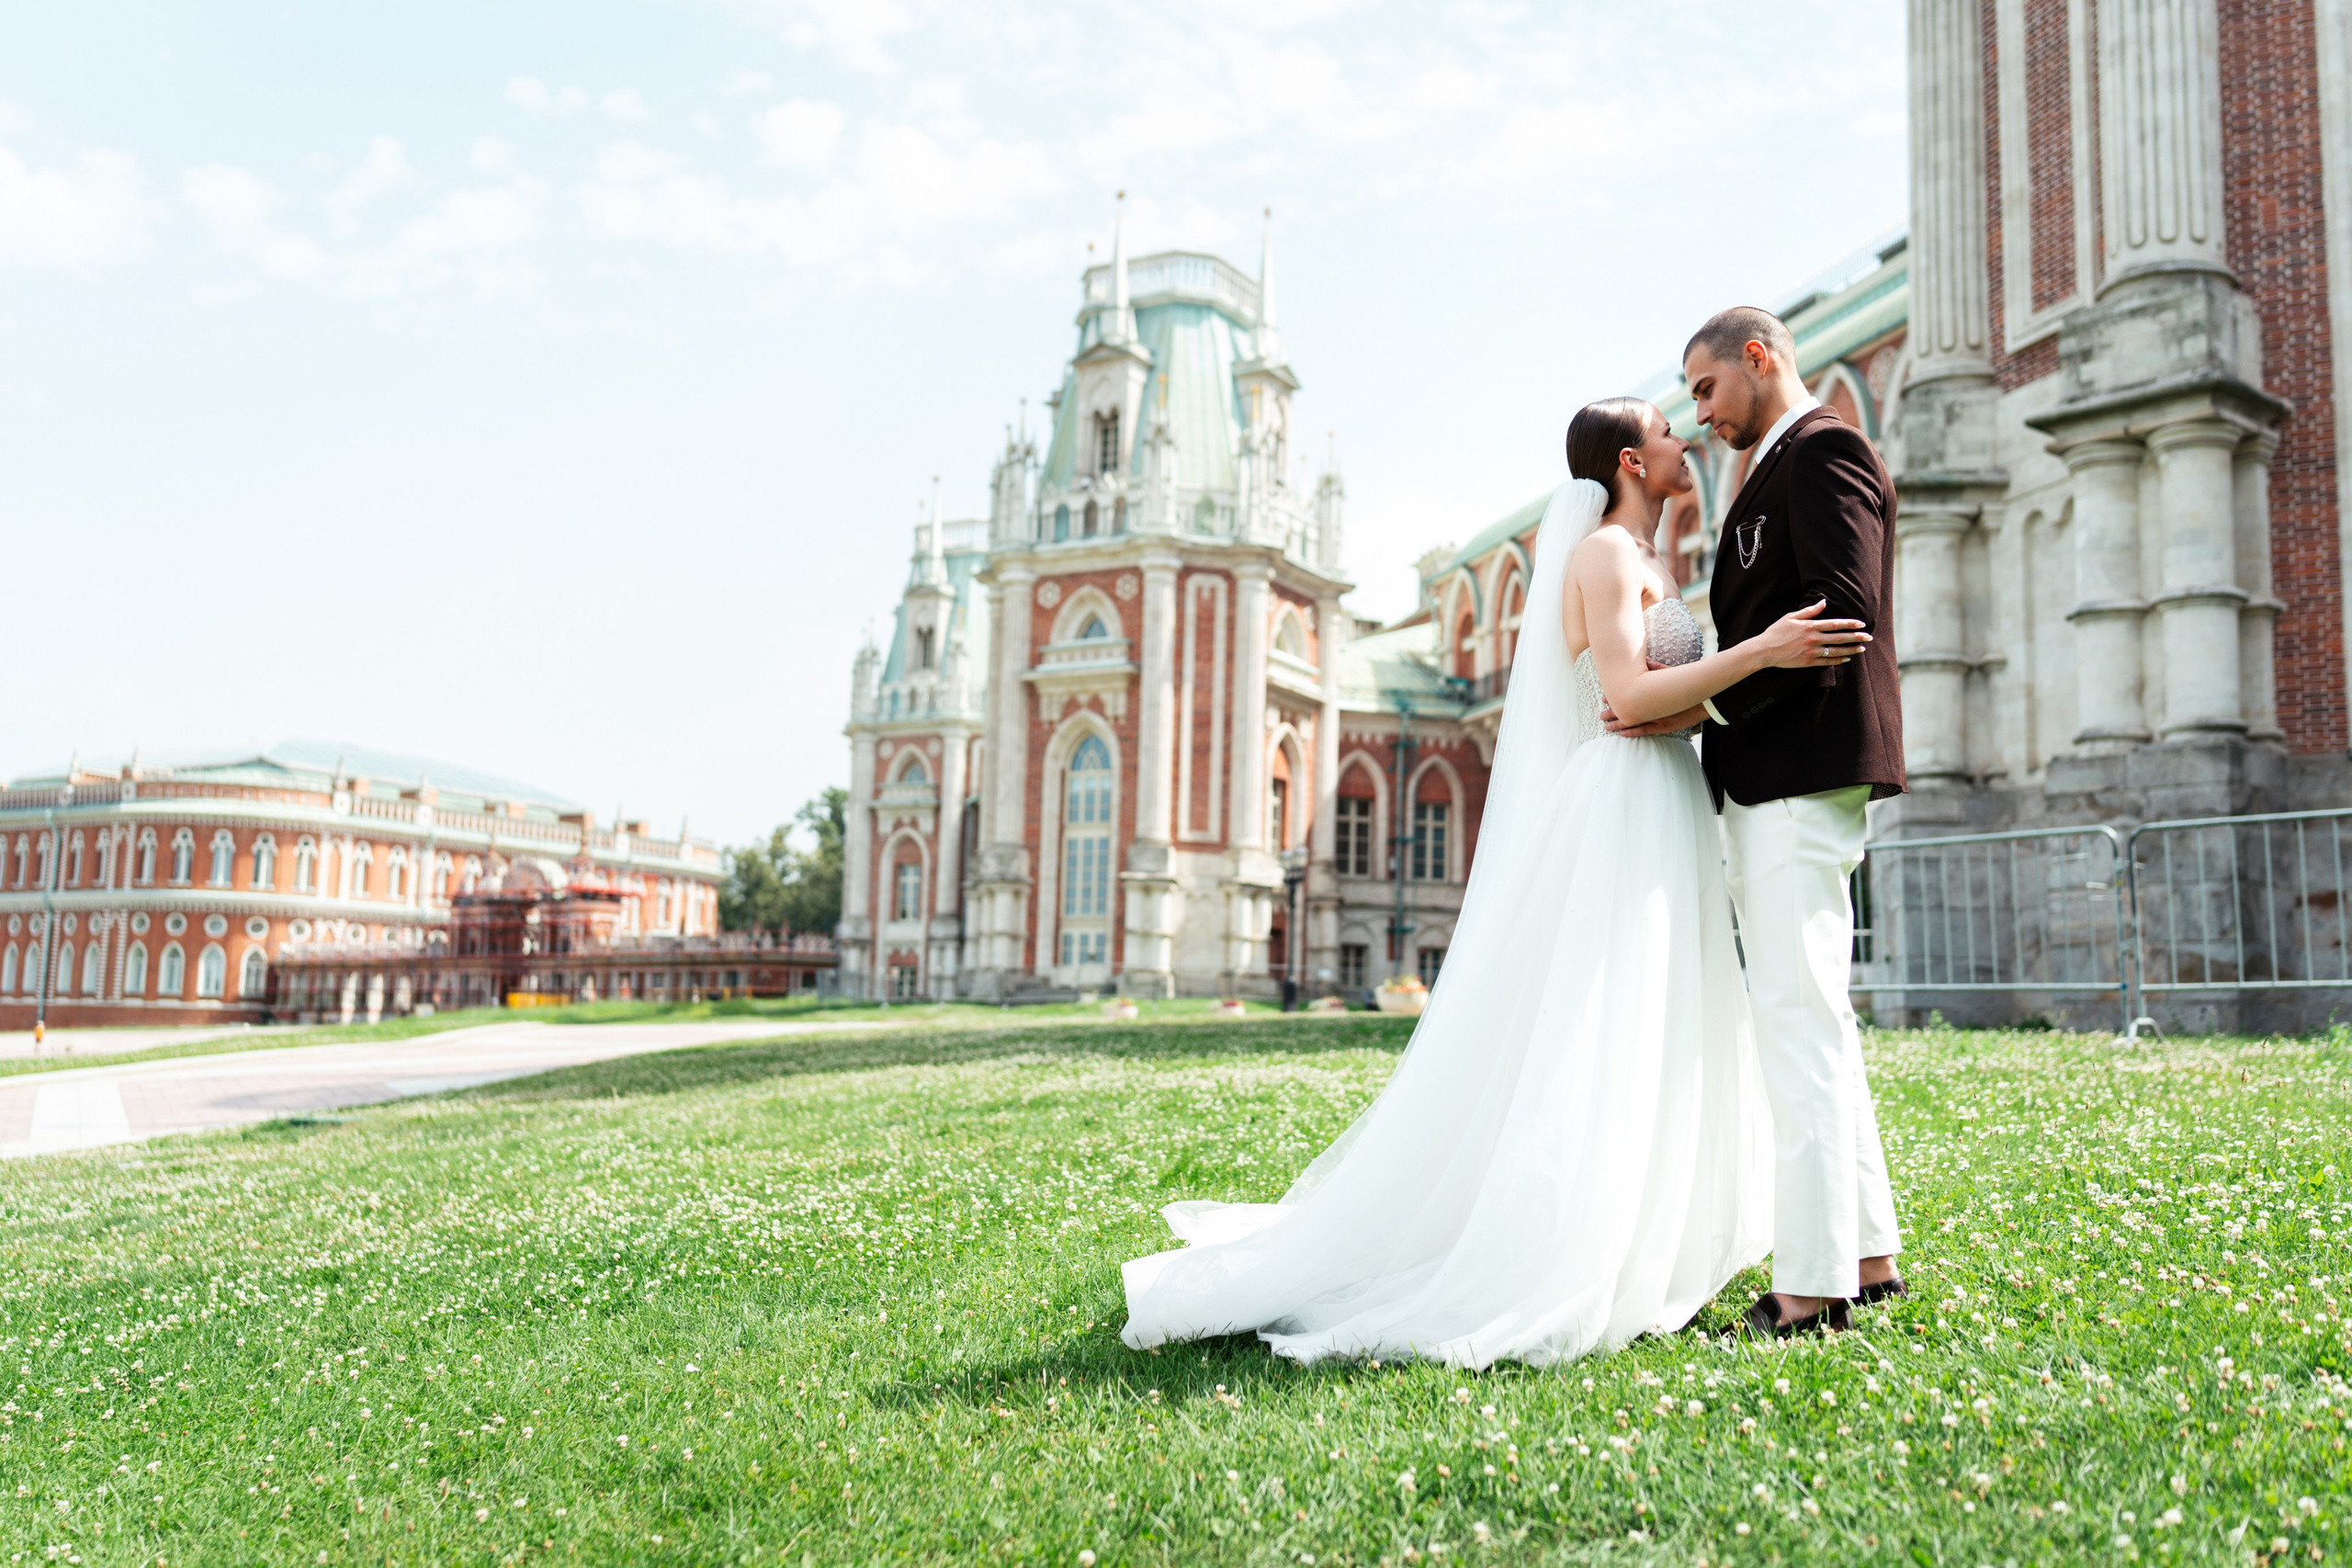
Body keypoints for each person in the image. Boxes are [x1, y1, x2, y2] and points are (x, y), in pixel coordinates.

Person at [1117, 397, 1871, 1368]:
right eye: (1666, 429)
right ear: (1632, 462)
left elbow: (1657, 707)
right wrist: (1758, 654)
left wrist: (1693, 709)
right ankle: (1571, 1240)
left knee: (1666, 1013)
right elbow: (1629, 694)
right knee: (1605, 1018)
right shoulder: (1601, 554)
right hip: (1623, 805)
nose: (1685, 435)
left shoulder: (1653, 563)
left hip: (1667, 792)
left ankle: (1649, 1227)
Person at [1608, 307, 1908, 1336]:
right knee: (1815, 1023)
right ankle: (1865, 1259)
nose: (1697, 416)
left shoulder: (1823, 453)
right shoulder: (1763, 471)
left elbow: (1835, 619)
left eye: (1703, 390)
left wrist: (1703, 705)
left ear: (1758, 358)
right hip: (1771, 782)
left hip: (1797, 775)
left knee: (1798, 1031)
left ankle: (1812, 1288)